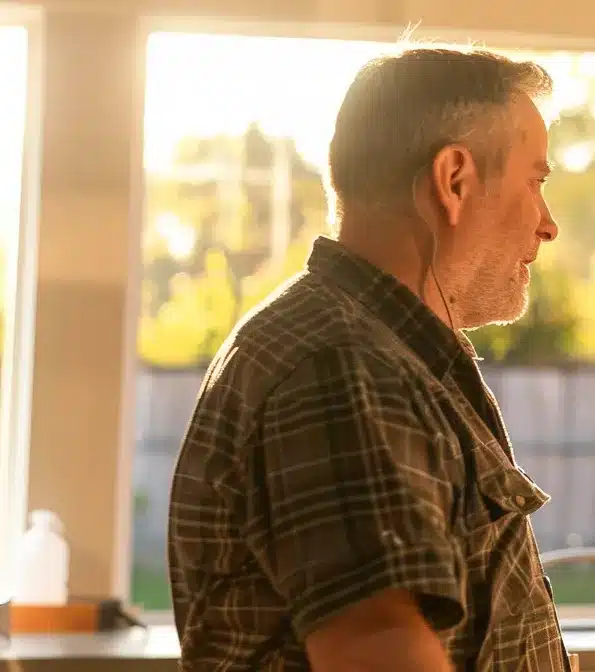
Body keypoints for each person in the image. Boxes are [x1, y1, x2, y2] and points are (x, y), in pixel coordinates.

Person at [166, 47, 568, 671]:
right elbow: (378, 651)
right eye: (535, 182)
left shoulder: (389, 356)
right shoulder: (342, 366)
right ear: (454, 179)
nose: (548, 224)